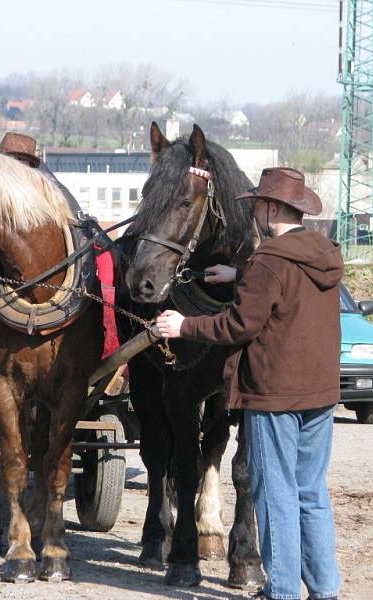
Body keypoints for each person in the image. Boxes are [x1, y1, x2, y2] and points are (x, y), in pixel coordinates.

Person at [156, 167, 343, 600]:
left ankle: (280, 590)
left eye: (258, 204)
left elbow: (239, 325)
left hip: (274, 393)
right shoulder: (323, 254)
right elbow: (288, 289)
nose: (254, 212)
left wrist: (185, 326)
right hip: (320, 393)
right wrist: (238, 276)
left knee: (273, 490)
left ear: (273, 208)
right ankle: (324, 589)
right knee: (310, 492)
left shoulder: (268, 259)